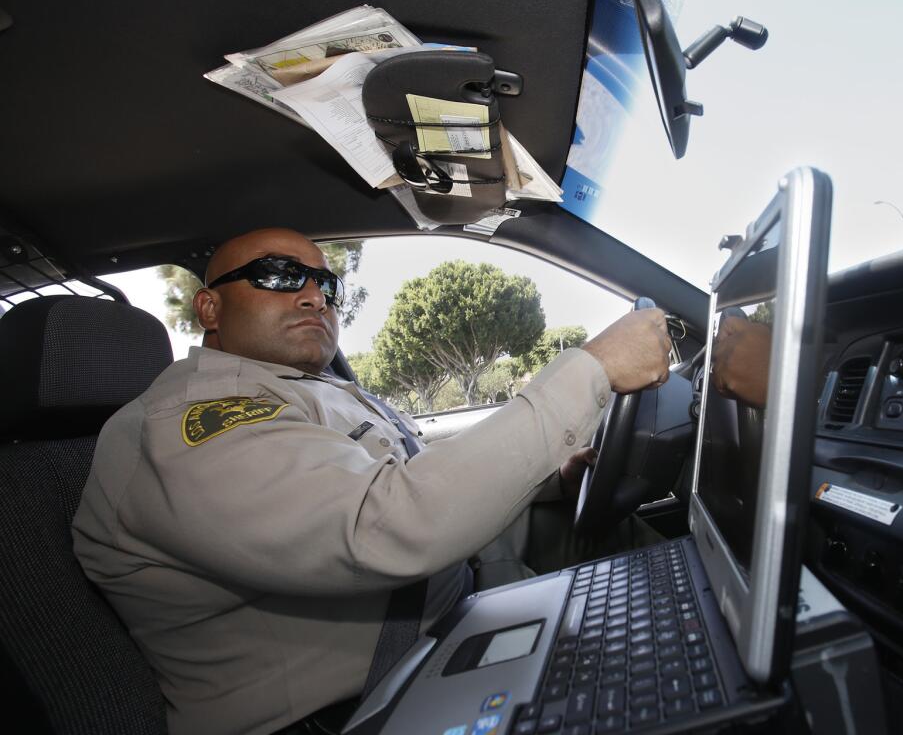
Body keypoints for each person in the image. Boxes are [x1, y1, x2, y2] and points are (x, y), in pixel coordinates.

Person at [71, 227, 671, 735]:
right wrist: (590, 371)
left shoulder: (311, 392)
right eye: (279, 276)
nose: (313, 296)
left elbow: (412, 474)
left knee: (657, 626)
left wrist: (553, 483)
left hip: (437, 642)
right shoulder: (191, 421)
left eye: (325, 284)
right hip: (351, 714)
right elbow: (385, 526)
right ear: (209, 308)